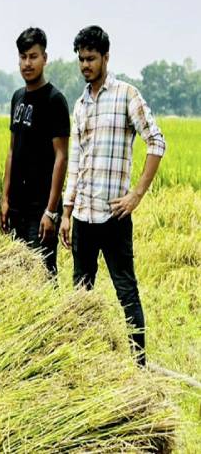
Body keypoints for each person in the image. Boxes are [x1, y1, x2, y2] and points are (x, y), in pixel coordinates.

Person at [59, 25, 166, 367]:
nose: (85, 65)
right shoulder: (80, 105)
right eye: (81, 59)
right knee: (80, 293)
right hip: (83, 215)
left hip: (114, 215)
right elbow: (76, 160)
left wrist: (136, 194)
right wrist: (66, 210)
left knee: (126, 291)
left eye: (91, 58)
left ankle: (139, 364)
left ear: (106, 57)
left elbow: (157, 142)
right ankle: (83, 361)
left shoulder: (126, 95)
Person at [0, 27, 70, 276]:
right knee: (17, 275)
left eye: (33, 56)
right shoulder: (17, 98)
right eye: (23, 57)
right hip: (17, 204)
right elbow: (11, 150)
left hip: (41, 207)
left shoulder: (54, 100)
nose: (27, 63)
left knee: (42, 273)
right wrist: (5, 199)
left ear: (44, 58)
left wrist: (51, 211)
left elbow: (61, 157)